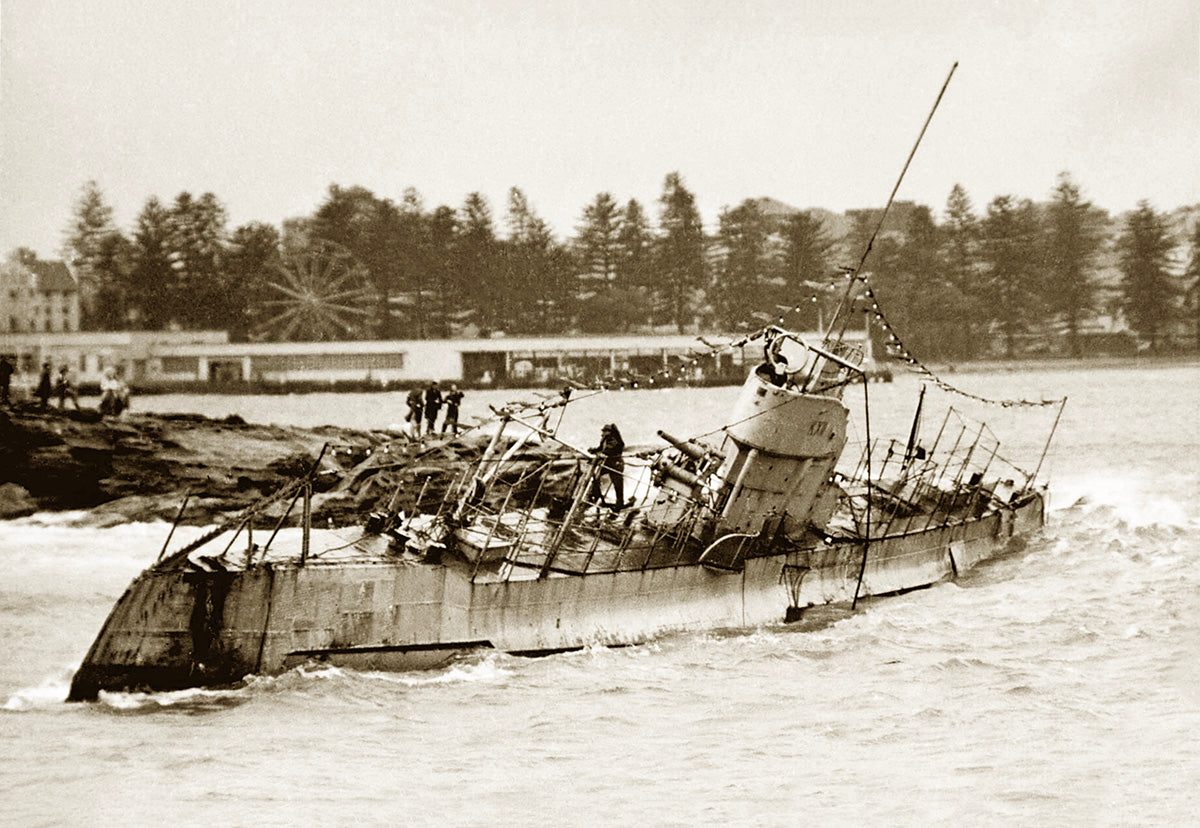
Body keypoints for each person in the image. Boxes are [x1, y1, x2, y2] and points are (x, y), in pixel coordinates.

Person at [589, 423, 626, 511]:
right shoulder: (605, 439)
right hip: (608, 464)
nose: (604, 433)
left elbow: (611, 448)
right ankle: (596, 495)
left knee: (618, 485)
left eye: (606, 431)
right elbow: (601, 448)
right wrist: (594, 450)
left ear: (610, 432)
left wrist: (603, 453)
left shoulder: (614, 439)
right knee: (595, 477)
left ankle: (619, 504)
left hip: (616, 464)